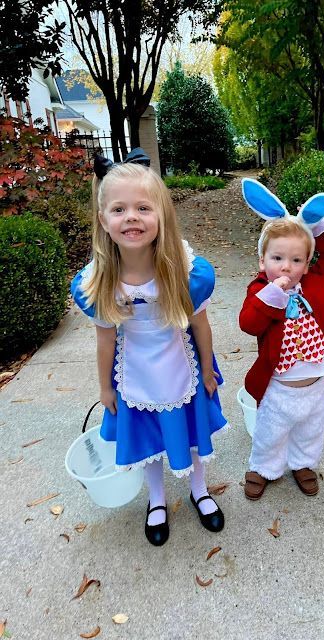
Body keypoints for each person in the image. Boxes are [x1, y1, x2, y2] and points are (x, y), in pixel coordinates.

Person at [71, 148, 227, 546]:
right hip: (134, 370)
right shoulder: (99, 281)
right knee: (151, 440)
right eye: (119, 209)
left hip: (181, 365)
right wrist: (106, 388)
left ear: (162, 216)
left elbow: (201, 324)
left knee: (190, 432)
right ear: (103, 220)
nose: (132, 218)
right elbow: (105, 339)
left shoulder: (185, 271)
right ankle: (156, 499)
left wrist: (207, 369)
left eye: (143, 207)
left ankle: (199, 489)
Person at [239, 179, 324, 500]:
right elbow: (249, 323)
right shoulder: (260, 290)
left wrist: (318, 226)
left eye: (297, 260)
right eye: (277, 258)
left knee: (311, 430)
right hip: (279, 386)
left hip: (316, 382)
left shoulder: (315, 281)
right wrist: (274, 293)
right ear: (262, 261)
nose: (287, 266)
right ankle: (263, 466)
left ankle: (302, 463)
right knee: (270, 432)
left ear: (307, 263)